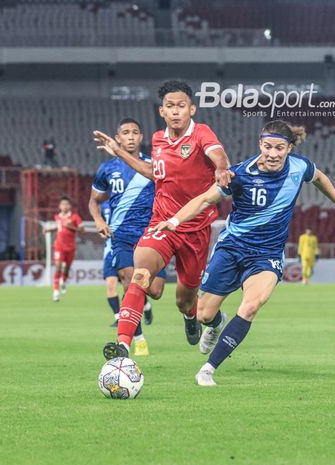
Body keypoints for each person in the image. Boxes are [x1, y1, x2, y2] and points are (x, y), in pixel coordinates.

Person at [151, 120, 335, 386]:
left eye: (279, 148)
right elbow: (204, 199)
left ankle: (208, 369)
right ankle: (215, 324)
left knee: (251, 306)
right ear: (260, 144)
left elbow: (319, 177)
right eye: (268, 147)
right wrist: (175, 221)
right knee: (203, 314)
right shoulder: (240, 174)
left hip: (267, 254)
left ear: (289, 148)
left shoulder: (299, 167)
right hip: (232, 249)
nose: (272, 153)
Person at [93, 80, 233, 359]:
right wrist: (119, 152)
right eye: (170, 106)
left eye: (181, 106)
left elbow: (218, 156)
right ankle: (123, 346)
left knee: (185, 301)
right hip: (162, 223)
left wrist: (221, 169)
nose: (176, 111)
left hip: (196, 230)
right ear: (162, 111)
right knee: (139, 276)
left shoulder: (201, 134)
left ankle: (198, 318)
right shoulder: (158, 140)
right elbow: (152, 172)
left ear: (191, 108)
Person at [89, 118, 167, 356]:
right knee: (128, 280)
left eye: (135, 132)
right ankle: (138, 337)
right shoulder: (107, 170)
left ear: (141, 137)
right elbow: (94, 201)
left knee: (154, 290)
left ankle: (155, 310)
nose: (131, 136)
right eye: (126, 133)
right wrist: (99, 220)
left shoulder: (154, 165)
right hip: (121, 235)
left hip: (151, 235)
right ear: (118, 137)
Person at [43, 195, 84, 302]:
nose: (64, 206)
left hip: (70, 248)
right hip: (59, 247)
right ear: (60, 206)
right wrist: (48, 230)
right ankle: (55, 293)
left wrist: (70, 226)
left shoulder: (75, 217)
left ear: (70, 206)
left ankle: (63, 281)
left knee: (66, 270)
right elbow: (59, 227)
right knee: (57, 268)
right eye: (62, 204)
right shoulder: (57, 216)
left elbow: (82, 230)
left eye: (66, 204)